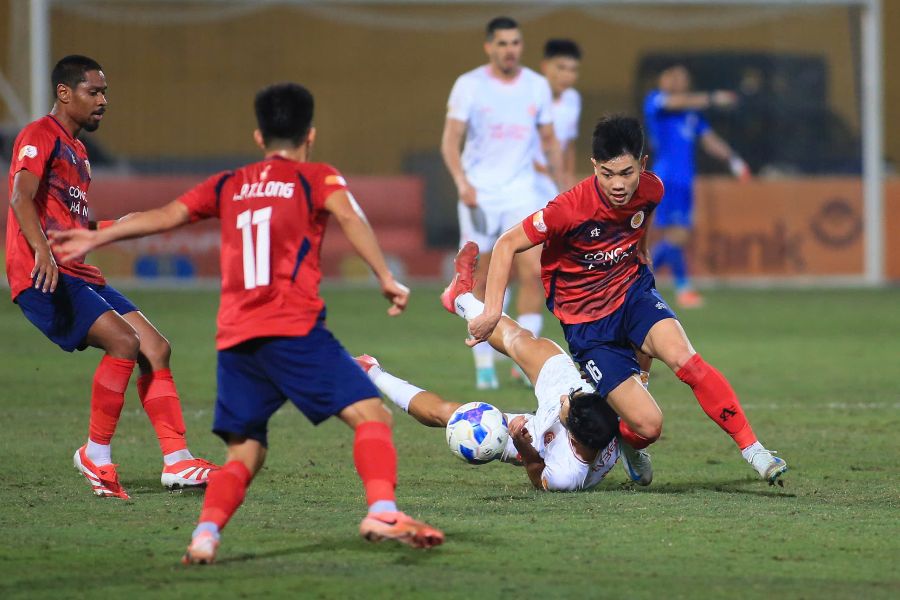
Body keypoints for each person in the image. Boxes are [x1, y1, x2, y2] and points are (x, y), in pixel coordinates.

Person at [50, 82, 444, 563]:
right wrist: (384, 275)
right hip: (293, 329)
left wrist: (97, 236)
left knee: (246, 454)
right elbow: (351, 216)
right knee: (372, 416)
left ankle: (204, 537)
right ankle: (382, 512)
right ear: (310, 134)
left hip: (237, 341)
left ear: (259, 136)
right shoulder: (317, 177)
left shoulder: (229, 183)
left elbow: (166, 216)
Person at [466, 115, 788, 485]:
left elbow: (642, 215)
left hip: (632, 292)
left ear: (642, 164)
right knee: (649, 427)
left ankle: (755, 451)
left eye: (626, 173)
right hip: (588, 325)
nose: (618, 185)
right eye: (607, 174)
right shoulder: (568, 208)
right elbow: (507, 243)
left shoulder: (652, 189)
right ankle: (629, 440)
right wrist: (493, 310)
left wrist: (642, 248)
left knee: (687, 360)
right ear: (594, 167)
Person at [6, 55, 217, 500]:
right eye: (94, 92)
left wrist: (115, 226)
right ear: (65, 93)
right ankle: (96, 456)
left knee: (156, 348)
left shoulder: (79, 152)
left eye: (104, 92)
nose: (103, 100)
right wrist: (42, 251)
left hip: (79, 271)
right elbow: (20, 198)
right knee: (125, 342)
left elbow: (72, 226)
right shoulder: (39, 134)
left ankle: (178, 460)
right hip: (44, 274)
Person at [355, 242, 654, 491]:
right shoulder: (614, 410)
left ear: (571, 430)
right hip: (601, 419)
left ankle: (370, 372)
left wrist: (522, 445)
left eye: (568, 404)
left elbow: (537, 474)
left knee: (447, 414)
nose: (566, 397)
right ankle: (460, 299)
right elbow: (641, 353)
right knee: (521, 340)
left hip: (535, 438)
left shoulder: (566, 474)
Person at [441, 16, 563, 390]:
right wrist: (462, 182)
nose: (510, 50)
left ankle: (522, 362)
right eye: (502, 43)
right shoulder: (469, 85)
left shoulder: (536, 86)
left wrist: (560, 189)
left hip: (523, 193)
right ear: (489, 47)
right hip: (480, 194)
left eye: (515, 43)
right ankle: (484, 365)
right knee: (483, 278)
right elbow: (450, 141)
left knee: (534, 274)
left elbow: (550, 141)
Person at [643, 63, 751, 308]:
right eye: (671, 76)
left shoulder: (692, 115)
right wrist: (713, 98)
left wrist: (734, 161)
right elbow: (675, 102)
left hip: (684, 180)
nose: (675, 81)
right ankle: (646, 282)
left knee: (677, 236)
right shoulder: (656, 101)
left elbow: (710, 141)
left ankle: (661, 285)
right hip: (666, 179)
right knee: (678, 234)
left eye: (681, 77)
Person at [534, 38, 582, 196]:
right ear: (545, 66)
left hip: (556, 183)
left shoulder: (573, 98)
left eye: (573, 70)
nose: (567, 75)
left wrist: (568, 177)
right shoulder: (529, 97)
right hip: (529, 181)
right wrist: (550, 173)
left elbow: (569, 143)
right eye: (561, 67)